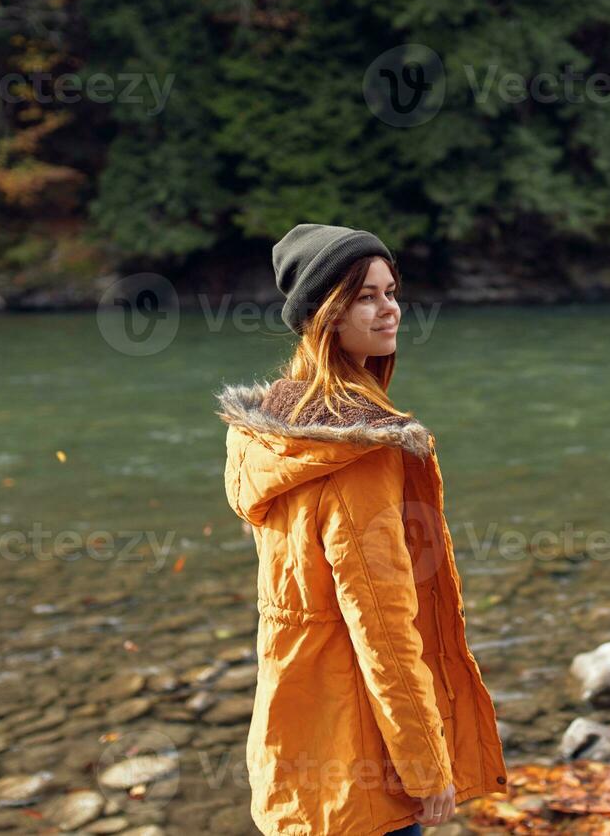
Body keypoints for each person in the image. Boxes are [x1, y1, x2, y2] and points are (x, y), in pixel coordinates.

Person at [215, 223, 509, 836]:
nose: (390, 308)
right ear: (325, 314)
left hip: (295, 742)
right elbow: (381, 622)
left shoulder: (274, 428)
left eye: (391, 290)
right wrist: (428, 770)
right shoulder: (361, 450)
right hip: (362, 766)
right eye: (366, 296)